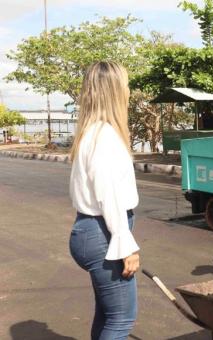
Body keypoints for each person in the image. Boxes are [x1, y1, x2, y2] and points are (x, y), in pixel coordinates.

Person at [69, 61, 140, 339]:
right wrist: (125, 246)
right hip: (103, 234)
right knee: (121, 320)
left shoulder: (91, 132)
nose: (129, 90)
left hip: (91, 231)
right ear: (114, 91)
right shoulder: (105, 137)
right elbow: (108, 196)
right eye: (125, 85)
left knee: (108, 315)